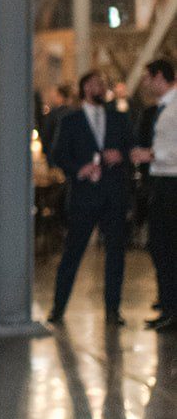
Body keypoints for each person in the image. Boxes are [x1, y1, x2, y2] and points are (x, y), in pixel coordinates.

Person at [48, 70, 132, 328]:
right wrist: (79, 169)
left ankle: (113, 309)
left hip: (113, 195)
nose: (101, 88)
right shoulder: (70, 120)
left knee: (115, 254)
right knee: (72, 253)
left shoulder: (118, 118)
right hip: (84, 196)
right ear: (85, 88)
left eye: (103, 84)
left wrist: (121, 155)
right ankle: (58, 307)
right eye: (96, 84)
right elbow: (58, 155)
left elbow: (131, 147)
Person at [131, 57, 177, 333]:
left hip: (172, 184)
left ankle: (172, 310)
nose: (146, 84)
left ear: (159, 77)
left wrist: (153, 154)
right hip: (160, 183)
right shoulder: (163, 107)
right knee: (160, 247)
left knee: (167, 247)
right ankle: (168, 307)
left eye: (148, 78)